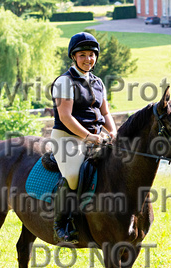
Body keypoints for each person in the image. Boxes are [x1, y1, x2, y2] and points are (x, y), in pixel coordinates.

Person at [50, 32, 118, 244]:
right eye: (82, 55)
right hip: (67, 137)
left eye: (91, 55)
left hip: (95, 137)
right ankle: (60, 223)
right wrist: (89, 136)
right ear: (73, 57)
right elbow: (65, 116)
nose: (88, 59)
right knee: (72, 175)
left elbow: (105, 113)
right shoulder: (64, 82)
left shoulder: (98, 83)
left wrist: (113, 132)